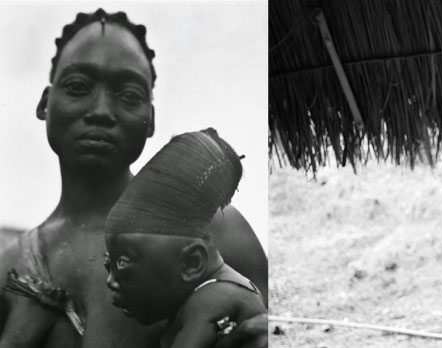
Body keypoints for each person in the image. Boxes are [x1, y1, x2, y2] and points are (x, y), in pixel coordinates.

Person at [0, 9, 267, 348]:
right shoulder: (13, 269)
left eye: (129, 95)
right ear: (44, 103)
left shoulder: (208, 227)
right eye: (78, 87)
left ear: (150, 119)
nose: (100, 111)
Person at [104, 128, 266, 348]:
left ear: (192, 263)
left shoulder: (212, 300)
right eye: (109, 264)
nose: (110, 281)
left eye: (122, 264)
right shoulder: (196, 300)